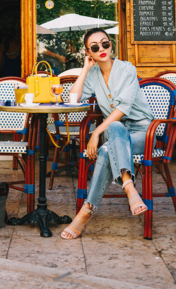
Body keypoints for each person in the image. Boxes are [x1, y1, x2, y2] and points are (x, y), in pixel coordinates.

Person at [61, 28, 154, 239]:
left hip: (142, 133)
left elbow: (122, 109)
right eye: (95, 47)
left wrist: (95, 134)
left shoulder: (127, 69)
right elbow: (73, 100)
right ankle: (129, 186)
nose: (101, 49)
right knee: (114, 127)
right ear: (88, 52)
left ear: (111, 44)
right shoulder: (93, 74)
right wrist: (85, 69)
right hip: (114, 131)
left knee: (106, 144)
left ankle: (85, 212)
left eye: (105, 43)